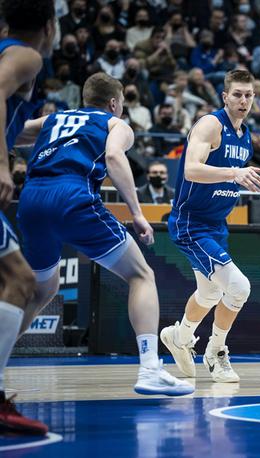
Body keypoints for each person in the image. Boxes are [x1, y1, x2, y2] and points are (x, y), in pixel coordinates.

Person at [18, 73, 194, 400]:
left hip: (30, 200)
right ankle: (150, 369)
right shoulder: (115, 124)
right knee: (141, 275)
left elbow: (12, 133)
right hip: (72, 196)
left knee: (43, 289)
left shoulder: (54, 119)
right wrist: (137, 213)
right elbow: (114, 157)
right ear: (115, 103)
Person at [161, 70, 260, 384]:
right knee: (239, 287)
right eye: (237, 94)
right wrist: (234, 173)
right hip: (190, 223)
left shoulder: (246, 135)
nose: (243, 100)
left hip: (215, 225)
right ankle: (215, 352)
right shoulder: (211, 124)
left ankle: (179, 336)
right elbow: (191, 170)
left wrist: (236, 175)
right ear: (224, 96)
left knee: (209, 293)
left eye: (248, 95)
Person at [0, 0, 55, 436]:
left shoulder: (7, 50)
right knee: (21, 281)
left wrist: (41, 127)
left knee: (14, 281)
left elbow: (9, 123)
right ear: (50, 27)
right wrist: (2, 164)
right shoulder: (28, 54)